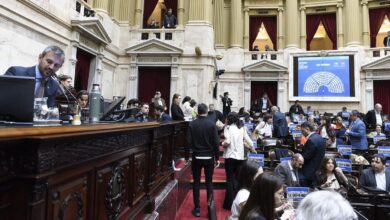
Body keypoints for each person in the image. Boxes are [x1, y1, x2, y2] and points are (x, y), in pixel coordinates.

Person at [186, 103, 220, 217]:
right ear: (206, 111)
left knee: (196, 182)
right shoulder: (211, 124)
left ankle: (197, 209)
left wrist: (186, 157)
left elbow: (188, 142)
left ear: (198, 111)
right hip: (209, 157)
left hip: (196, 157)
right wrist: (217, 157)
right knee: (209, 182)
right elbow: (216, 142)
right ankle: (211, 209)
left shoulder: (192, 124)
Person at [222, 112, 255, 209]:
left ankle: (229, 204)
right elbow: (248, 139)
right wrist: (252, 148)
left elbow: (227, 142)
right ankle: (238, 202)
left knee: (230, 179)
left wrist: (223, 144)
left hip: (230, 156)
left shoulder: (228, 128)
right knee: (238, 179)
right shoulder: (242, 127)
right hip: (240, 157)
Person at [300, 122, 326, 187]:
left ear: (307, 129)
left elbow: (306, 157)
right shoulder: (320, 137)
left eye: (302, 131)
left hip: (309, 170)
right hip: (318, 168)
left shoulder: (311, 140)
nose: (302, 133)